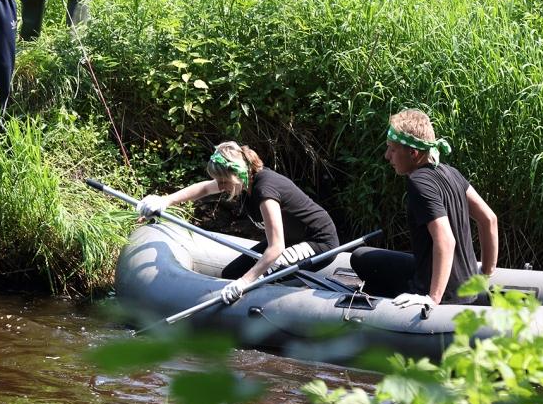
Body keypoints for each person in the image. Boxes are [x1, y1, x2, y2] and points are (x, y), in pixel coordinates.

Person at [136, 142, 341, 304]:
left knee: (258, 277)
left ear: (238, 173)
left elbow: (276, 247)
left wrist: (245, 282)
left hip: (318, 241)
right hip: (292, 239)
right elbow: (204, 189)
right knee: (231, 273)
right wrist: (165, 200)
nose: (221, 186)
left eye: (224, 181)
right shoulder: (244, 181)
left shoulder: (265, 191)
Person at [351, 109, 499, 309]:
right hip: (470, 287)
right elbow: (489, 219)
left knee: (360, 260)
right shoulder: (451, 172)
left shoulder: (418, 182)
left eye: (393, 150)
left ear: (413, 153)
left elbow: (446, 240)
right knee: (364, 257)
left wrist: (432, 298)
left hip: (446, 295)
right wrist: (487, 273)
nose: (387, 156)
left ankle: (381, 320)